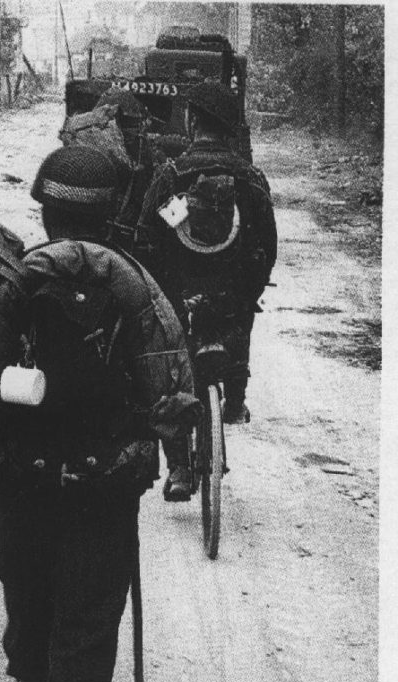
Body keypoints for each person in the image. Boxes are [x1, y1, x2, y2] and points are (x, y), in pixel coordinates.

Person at [0, 146, 197, 682]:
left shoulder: (10, 287)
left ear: (45, 210)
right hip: (105, 488)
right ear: (117, 210)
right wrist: (161, 456)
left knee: (27, 590)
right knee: (87, 615)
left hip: (24, 485)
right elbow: (172, 394)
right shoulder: (139, 287)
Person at [137, 81, 277, 501]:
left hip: (180, 296)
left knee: (170, 367)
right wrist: (246, 292)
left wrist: (161, 295)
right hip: (230, 296)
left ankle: (179, 466)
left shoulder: (172, 175)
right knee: (240, 318)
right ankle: (234, 399)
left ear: (193, 121)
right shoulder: (250, 178)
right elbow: (266, 248)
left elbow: (146, 240)